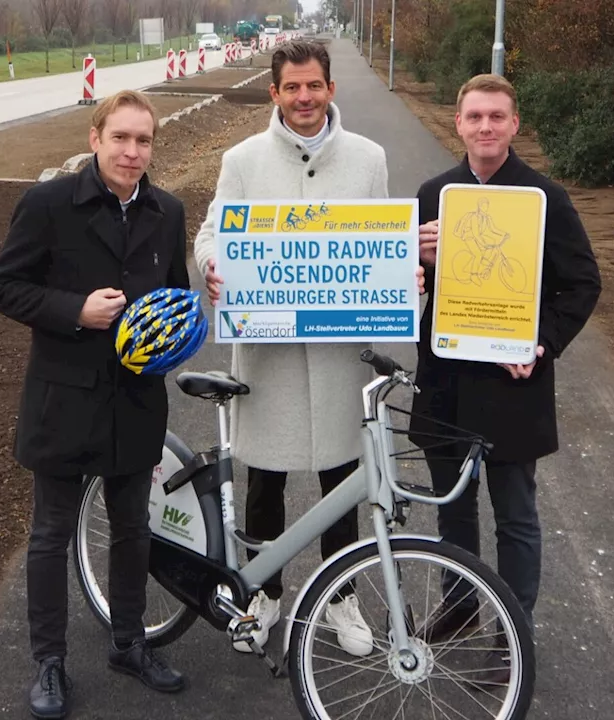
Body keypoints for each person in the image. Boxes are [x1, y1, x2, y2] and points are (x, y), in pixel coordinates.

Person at [193, 39, 423, 658]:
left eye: (313, 86)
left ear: (330, 88)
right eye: (292, 88)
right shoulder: (241, 159)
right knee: (263, 479)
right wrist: (215, 263)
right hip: (267, 358)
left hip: (337, 355)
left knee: (342, 477)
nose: (303, 98)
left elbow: (384, 238)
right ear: (274, 93)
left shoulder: (368, 159)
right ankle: (264, 594)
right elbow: (214, 230)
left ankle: (339, 598)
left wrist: (403, 274)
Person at [0, 89, 191, 720]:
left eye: (144, 140)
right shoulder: (49, 204)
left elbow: (174, 296)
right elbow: (3, 286)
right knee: (50, 535)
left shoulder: (167, 210)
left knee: (133, 531)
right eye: (121, 138)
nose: (132, 152)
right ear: (95, 137)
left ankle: (128, 642)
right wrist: (73, 310)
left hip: (134, 402)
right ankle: (49, 662)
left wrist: (178, 331)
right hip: (65, 399)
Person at [409, 74, 602, 675]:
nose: (485, 127)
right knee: (452, 509)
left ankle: (513, 627)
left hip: (513, 382)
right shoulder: (434, 195)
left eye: (497, 116)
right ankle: (461, 605)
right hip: (446, 379)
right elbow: (404, 283)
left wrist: (542, 343)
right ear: (458, 123)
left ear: (515, 125)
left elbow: (583, 283)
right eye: (475, 117)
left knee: (515, 512)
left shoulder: (545, 198)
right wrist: (412, 259)